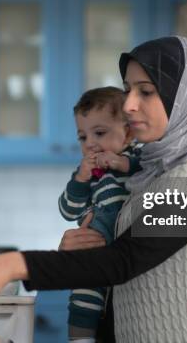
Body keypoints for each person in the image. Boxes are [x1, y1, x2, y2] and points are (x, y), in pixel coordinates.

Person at [0, 36, 187, 342]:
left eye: (146, 92)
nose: (128, 105)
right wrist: (83, 245)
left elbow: (126, 261)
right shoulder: (152, 169)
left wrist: (17, 264)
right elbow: (124, 274)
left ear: (186, 97)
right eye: (127, 90)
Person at [60, 87, 141, 342]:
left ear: (127, 134)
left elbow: (149, 166)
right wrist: (81, 178)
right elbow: (67, 210)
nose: (90, 144)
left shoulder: (135, 158)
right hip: (95, 243)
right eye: (82, 137)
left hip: (120, 247)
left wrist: (121, 163)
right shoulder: (85, 174)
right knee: (83, 294)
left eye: (100, 133)